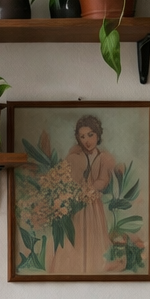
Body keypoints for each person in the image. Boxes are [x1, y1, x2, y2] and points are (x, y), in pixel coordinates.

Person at [49, 114, 117, 274]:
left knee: (93, 236)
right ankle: (74, 268)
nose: (87, 140)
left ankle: (93, 269)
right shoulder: (74, 156)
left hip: (93, 205)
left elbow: (103, 180)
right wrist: (75, 191)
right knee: (76, 235)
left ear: (98, 135)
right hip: (76, 204)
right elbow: (67, 177)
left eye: (90, 135)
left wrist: (90, 189)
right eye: (82, 136)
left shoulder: (103, 158)